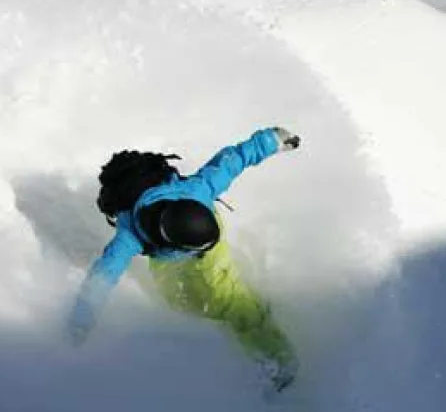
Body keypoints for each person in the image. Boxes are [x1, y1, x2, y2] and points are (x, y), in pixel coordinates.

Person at [68, 126, 301, 389]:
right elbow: (103, 274)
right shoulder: (131, 236)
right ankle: (217, 326)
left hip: (206, 246)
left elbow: (233, 159)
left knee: (228, 299)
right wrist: (82, 320)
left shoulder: (200, 188)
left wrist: (272, 140)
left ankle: (278, 362)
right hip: (168, 259)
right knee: (180, 303)